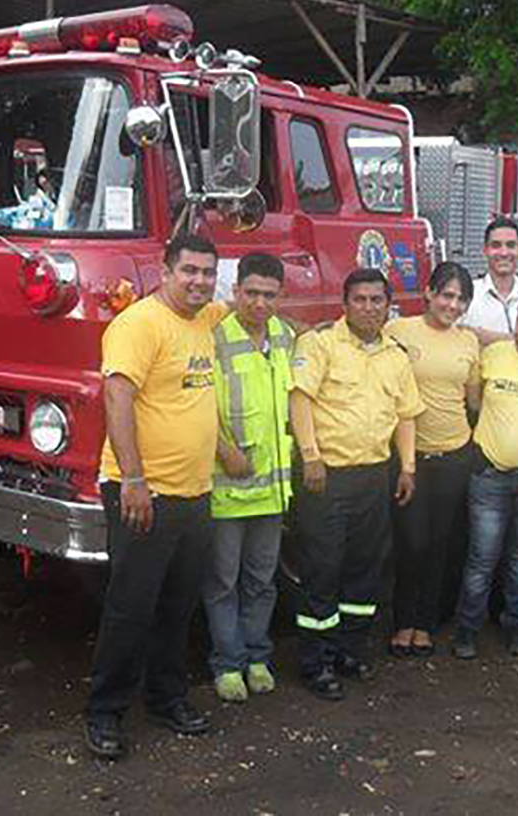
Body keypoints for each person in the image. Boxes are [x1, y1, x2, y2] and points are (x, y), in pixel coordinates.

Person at [85, 233, 229, 759]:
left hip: (195, 493)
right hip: (145, 493)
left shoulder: (206, 319)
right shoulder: (138, 324)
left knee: (177, 605)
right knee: (130, 607)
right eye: (188, 271)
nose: (199, 281)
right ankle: (105, 712)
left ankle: (168, 699)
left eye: (207, 273)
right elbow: (116, 398)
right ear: (165, 272)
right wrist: (134, 480)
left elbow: (255, 306)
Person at [289, 268, 425, 700]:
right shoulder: (320, 344)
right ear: (344, 304)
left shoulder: (396, 355)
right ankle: (316, 661)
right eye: (360, 300)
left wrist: (408, 467)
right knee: (322, 568)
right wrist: (310, 456)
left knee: (365, 568)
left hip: (374, 475)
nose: (369, 307)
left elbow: (406, 414)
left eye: (376, 300)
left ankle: (350, 649)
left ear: (388, 306)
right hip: (326, 476)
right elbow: (300, 399)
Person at [203, 253, 294, 703]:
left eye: (269, 295)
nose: (260, 303)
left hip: (272, 491)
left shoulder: (285, 336)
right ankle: (228, 664)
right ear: (235, 291)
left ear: (281, 296)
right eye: (251, 293)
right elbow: (200, 407)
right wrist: (224, 451)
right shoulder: (215, 339)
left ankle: (257, 657)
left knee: (262, 582)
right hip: (228, 490)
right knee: (223, 584)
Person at [452, 296, 518, 659]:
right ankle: (466, 630)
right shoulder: (494, 355)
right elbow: (473, 401)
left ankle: (515, 627)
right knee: (482, 559)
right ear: (515, 327)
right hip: (490, 478)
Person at [384, 262, 481, 658]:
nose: (452, 304)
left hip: (454, 454)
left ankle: (424, 624)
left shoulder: (469, 343)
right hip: (409, 457)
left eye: (460, 299)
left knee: (441, 543)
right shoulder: (398, 331)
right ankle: (401, 622)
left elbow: (473, 401)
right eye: (446, 294)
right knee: (410, 542)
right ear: (428, 292)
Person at [461, 217, 518, 339]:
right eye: (496, 245)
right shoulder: (465, 296)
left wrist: (485, 336)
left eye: (511, 245)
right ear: (485, 250)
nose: (504, 253)